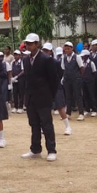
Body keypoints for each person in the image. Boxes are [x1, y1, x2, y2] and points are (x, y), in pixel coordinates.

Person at [21, 33, 60, 162]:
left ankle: (51, 150)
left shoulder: (46, 59)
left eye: (30, 43)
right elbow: (27, 79)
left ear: (37, 44)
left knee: (47, 124)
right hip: (31, 97)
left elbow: (53, 79)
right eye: (27, 43)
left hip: (44, 97)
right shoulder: (26, 60)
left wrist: (50, 96)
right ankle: (35, 149)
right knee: (34, 124)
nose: (28, 46)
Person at [79, 50, 97, 117]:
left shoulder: (91, 63)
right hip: (83, 81)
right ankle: (87, 109)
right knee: (85, 95)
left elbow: (94, 72)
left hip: (90, 82)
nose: (82, 57)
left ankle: (94, 110)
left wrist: (91, 79)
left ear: (87, 56)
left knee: (91, 95)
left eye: (84, 56)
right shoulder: (81, 63)